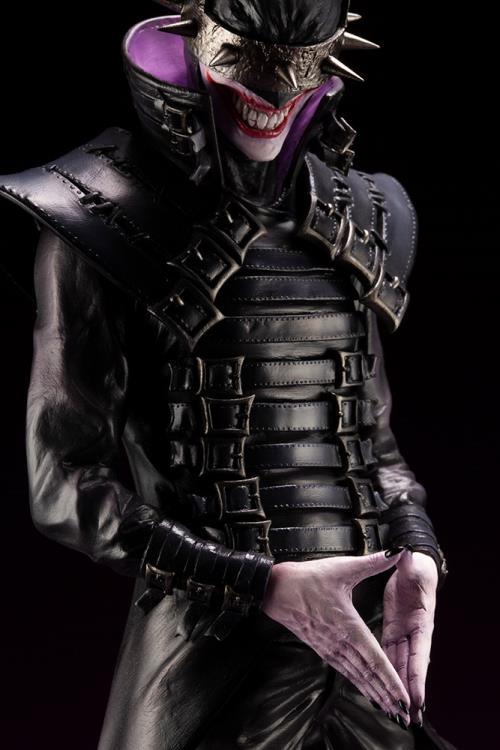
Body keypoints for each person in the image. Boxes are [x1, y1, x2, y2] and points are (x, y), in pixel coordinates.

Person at [0, 1, 455, 748]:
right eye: (250, 58)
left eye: (296, 65)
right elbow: (62, 485)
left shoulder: (350, 221)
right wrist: (258, 583)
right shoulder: (100, 217)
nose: (272, 95)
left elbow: (373, 447)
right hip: (211, 653)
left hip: (364, 656)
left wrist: (417, 551)